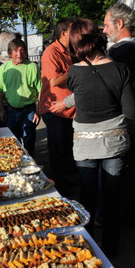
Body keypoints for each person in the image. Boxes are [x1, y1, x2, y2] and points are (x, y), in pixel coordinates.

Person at [50, 18, 135, 257]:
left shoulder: (74, 73)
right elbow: (130, 112)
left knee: (87, 197)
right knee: (112, 197)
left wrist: (65, 103)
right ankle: (111, 249)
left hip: (85, 145)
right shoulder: (120, 69)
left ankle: (87, 249)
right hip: (115, 144)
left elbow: (82, 94)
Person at [103, 3, 135, 223]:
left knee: (117, 171)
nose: (105, 30)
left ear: (120, 23)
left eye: (107, 25)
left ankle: (123, 216)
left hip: (124, 120)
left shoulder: (116, 54)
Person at [39, 18, 77, 197]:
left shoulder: (72, 50)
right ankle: (60, 189)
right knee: (58, 150)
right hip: (56, 110)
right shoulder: (50, 52)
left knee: (67, 148)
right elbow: (54, 82)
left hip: (69, 109)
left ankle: (69, 183)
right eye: (74, 31)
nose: (78, 34)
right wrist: (77, 70)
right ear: (64, 34)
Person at [0, 38, 41, 157]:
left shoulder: (32, 67)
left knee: (29, 141)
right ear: (10, 53)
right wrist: (2, 110)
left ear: (25, 52)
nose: (19, 53)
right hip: (11, 110)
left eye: (21, 50)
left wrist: (38, 111)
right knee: (13, 142)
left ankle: (31, 166)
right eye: (15, 51)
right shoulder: (4, 69)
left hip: (29, 109)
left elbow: (41, 91)